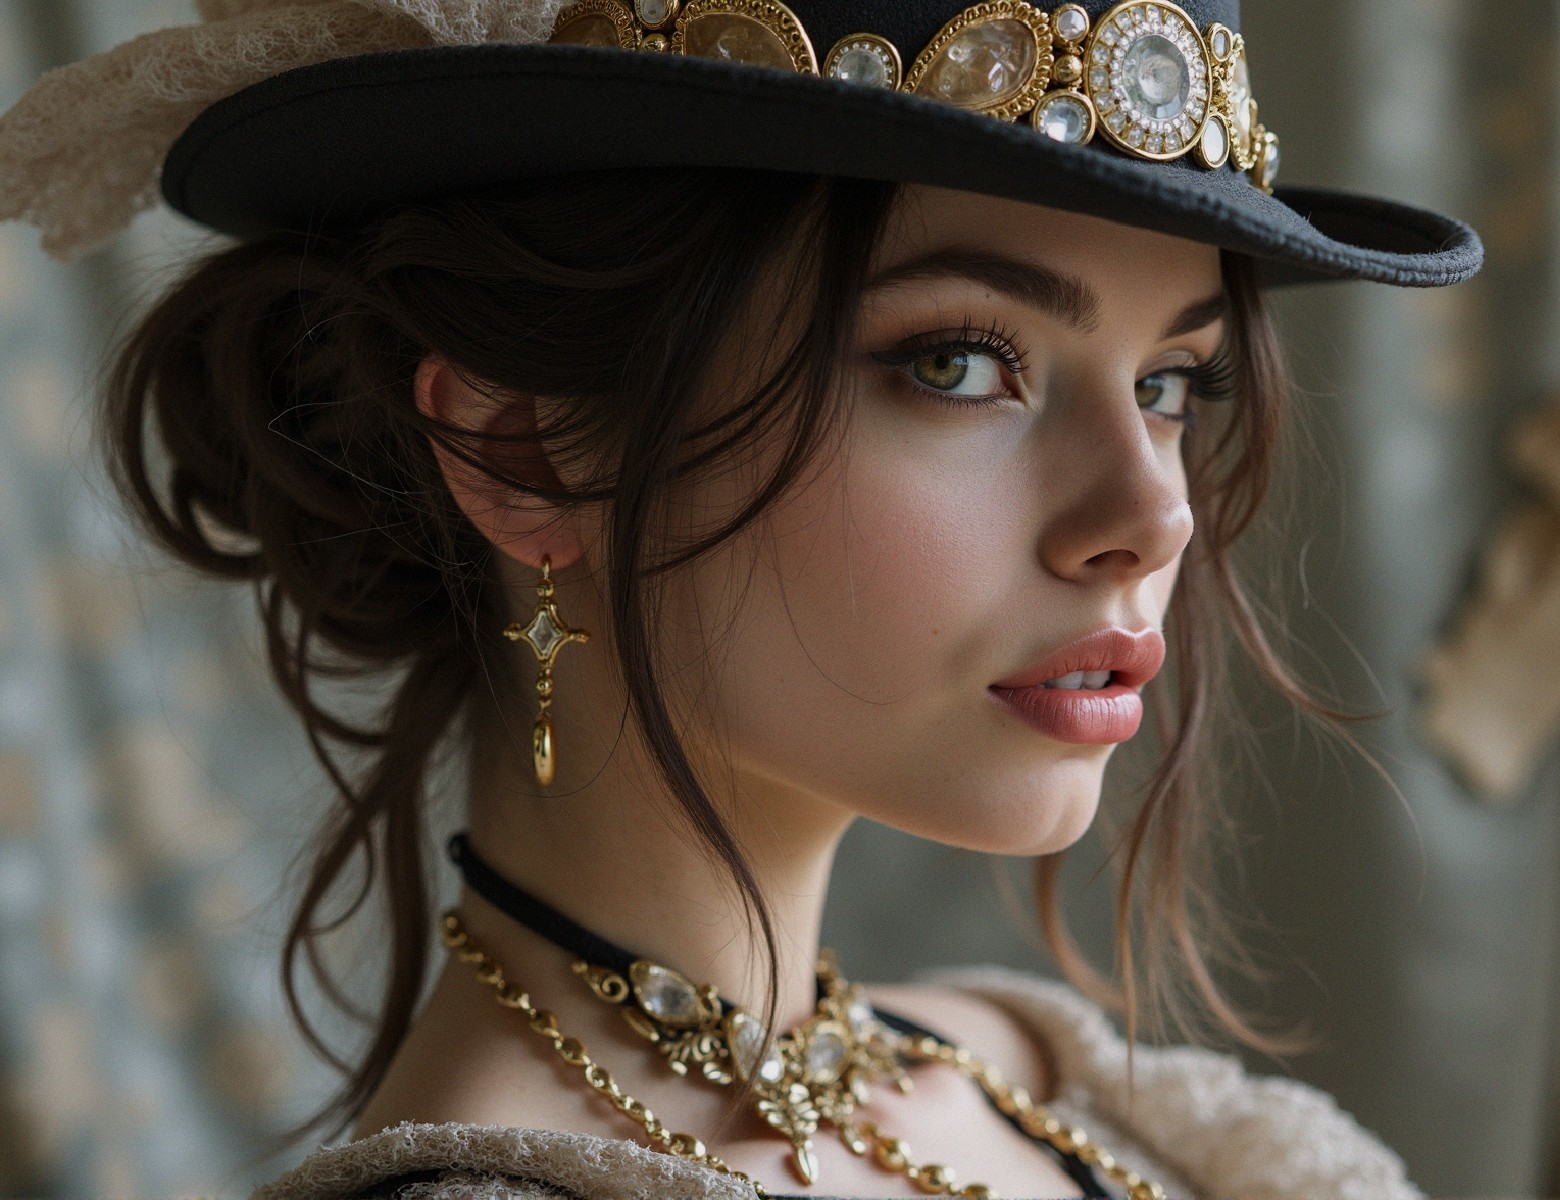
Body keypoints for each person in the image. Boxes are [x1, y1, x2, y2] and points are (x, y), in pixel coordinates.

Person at [0, 1, 1484, 1197]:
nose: (1149, 514)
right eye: (958, 361)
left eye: (1173, 383)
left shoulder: (1048, 1081)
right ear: (522, 450)